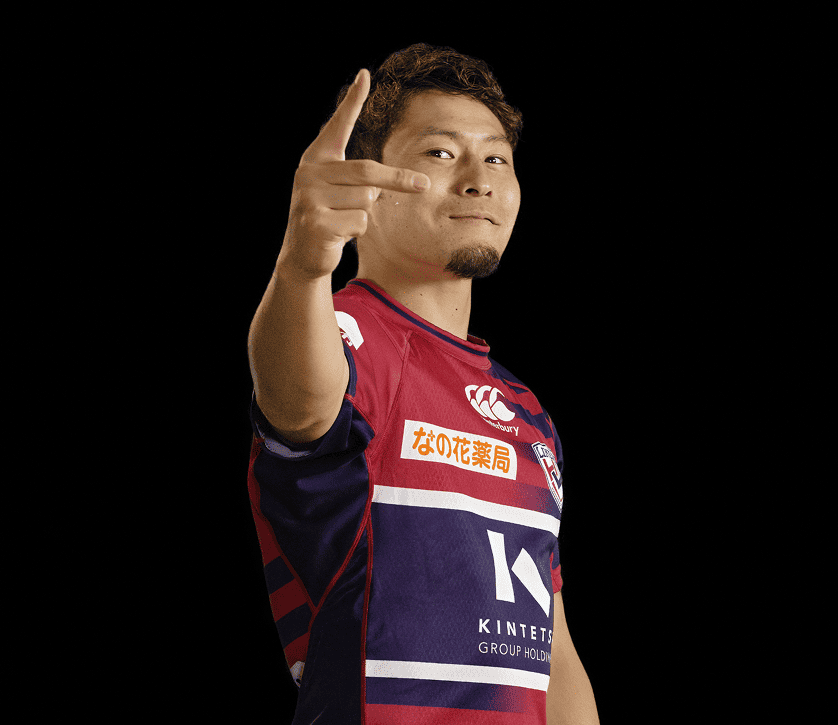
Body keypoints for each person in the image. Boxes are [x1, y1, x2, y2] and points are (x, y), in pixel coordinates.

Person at [245, 44, 599, 724]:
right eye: (440, 153)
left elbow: (552, 651)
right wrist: (302, 266)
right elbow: (299, 402)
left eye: (496, 158)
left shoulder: (527, 412)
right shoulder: (344, 336)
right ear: (366, 183)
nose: (478, 180)